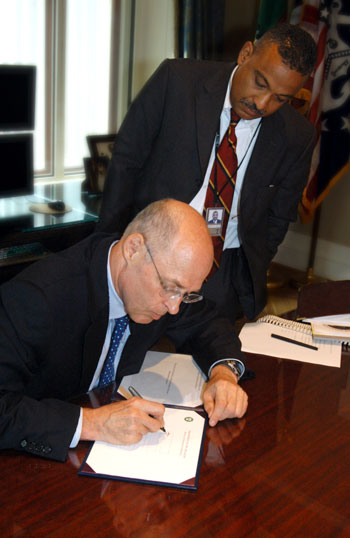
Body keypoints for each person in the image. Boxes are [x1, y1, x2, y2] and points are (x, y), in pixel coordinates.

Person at [97, 23, 317, 323]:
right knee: (129, 353)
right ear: (246, 53)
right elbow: (126, 162)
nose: (262, 103)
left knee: (211, 360)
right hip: (149, 260)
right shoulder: (177, 81)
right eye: (260, 82)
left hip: (223, 272)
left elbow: (279, 216)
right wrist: (107, 248)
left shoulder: (297, 135)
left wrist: (250, 265)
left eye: (281, 98)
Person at [0, 199, 248, 462]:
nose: (174, 307)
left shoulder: (162, 283)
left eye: (186, 295)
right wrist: (93, 423)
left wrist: (224, 374)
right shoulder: (38, 298)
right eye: (171, 288)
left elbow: (208, 321)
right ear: (133, 248)